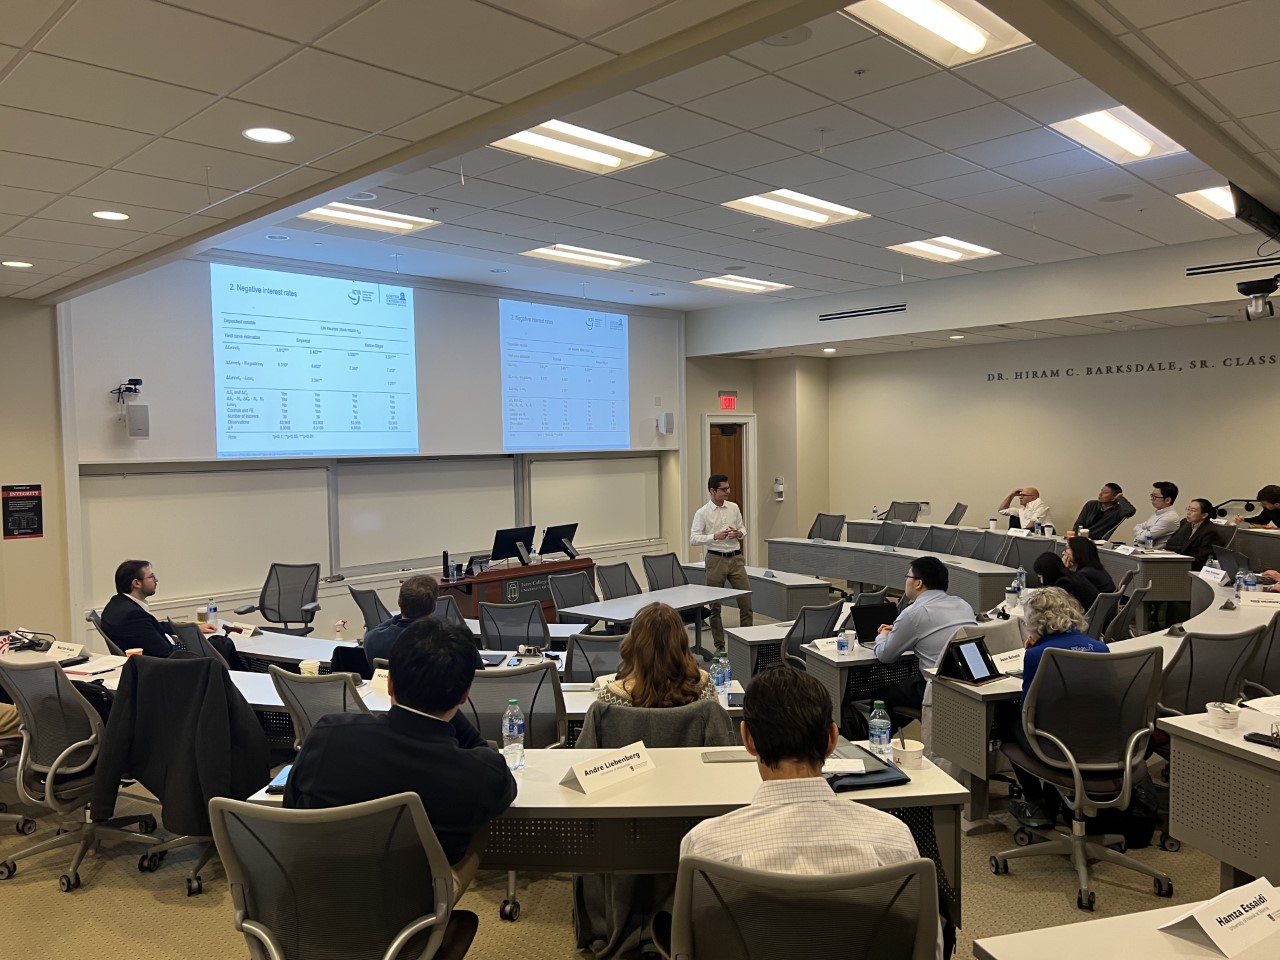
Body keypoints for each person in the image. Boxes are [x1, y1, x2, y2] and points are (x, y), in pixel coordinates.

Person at [679, 666, 941, 959]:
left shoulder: (704, 848)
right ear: (832, 739)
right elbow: (929, 947)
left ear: (748, 740)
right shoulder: (894, 841)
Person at [285, 616, 516, 891]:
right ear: (465, 695)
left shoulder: (328, 733)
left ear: (390, 683)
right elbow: (498, 774)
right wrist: (449, 708)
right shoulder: (478, 773)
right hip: (405, 920)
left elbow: (291, 813)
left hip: (306, 906)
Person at [1002, 588, 1108, 828]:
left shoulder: (1038, 654)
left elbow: (1026, 709)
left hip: (1054, 745)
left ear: (1034, 619)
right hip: (1098, 742)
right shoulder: (1101, 649)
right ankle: (1053, 801)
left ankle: (1036, 802)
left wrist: (1030, 651)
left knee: (1007, 720)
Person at [871, 557, 976, 731]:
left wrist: (882, 636)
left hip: (937, 687)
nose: (906, 581)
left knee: (880, 697)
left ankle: (880, 750)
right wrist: (901, 631)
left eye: (908, 576)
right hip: (967, 683)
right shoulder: (963, 605)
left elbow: (885, 655)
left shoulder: (914, 613)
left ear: (918, 583)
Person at [596, 602, 715, 707]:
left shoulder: (612, 696)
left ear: (633, 643)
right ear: (682, 642)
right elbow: (719, 729)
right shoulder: (703, 685)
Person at [100, 559, 217, 658]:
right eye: (151, 577)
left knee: (216, 644)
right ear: (136, 583)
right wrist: (199, 656)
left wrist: (192, 627)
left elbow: (154, 626)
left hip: (155, 660)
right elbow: (165, 653)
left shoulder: (116, 604)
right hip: (166, 667)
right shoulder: (132, 615)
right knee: (217, 649)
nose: (156, 580)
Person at [690, 474, 753, 651]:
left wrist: (738, 534)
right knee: (715, 607)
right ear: (712, 491)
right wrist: (713, 537)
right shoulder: (702, 513)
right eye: (724, 489)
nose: (728, 492)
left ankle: (747, 641)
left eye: (728, 488)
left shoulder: (733, 507)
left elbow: (742, 528)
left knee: (746, 602)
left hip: (736, 558)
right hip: (715, 559)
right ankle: (719, 645)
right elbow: (693, 539)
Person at [363, 574, 439, 669]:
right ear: (434, 607)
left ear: (399, 602)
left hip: (386, 684)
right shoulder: (439, 643)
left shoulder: (371, 639)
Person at [1165, 498, 1225, 571]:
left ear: (1204, 515)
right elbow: (1171, 543)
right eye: (1188, 509)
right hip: (1177, 562)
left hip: (1191, 569)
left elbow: (1202, 560)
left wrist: (1178, 559)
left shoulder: (1210, 532)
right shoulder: (1186, 523)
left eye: (1193, 510)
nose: (1188, 513)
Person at [1031, 552, 1098, 612]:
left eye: (1040, 576)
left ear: (1047, 574)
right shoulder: (1072, 576)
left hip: (1084, 619)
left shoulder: (1064, 584)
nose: (1041, 580)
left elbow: (1060, 610)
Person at [1070, 483, 1135, 540]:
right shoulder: (1091, 504)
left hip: (1097, 542)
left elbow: (1131, 511)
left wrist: (1120, 497)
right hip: (1080, 539)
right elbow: (1079, 524)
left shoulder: (1118, 511)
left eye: (1105, 493)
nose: (1100, 494)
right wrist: (1074, 539)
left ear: (1113, 498)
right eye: (1101, 491)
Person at [1131, 481, 1180, 549]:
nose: (1152, 499)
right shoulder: (1158, 513)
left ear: (1167, 500)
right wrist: (1143, 533)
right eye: (1152, 496)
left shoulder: (1169, 518)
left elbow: (1145, 537)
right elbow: (1137, 527)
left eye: (1155, 497)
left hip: (1155, 555)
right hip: (1144, 550)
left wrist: (1142, 534)